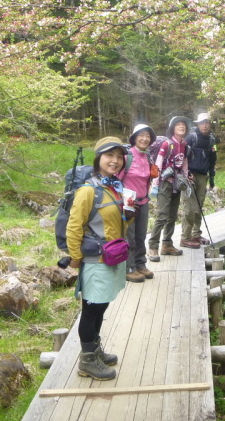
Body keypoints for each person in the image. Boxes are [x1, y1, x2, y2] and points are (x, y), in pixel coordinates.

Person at [65, 136, 132, 381]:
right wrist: (75, 257)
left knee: (101, 306)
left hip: (112, 256)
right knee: (91, 310)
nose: (114, 161)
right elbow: (74, 226)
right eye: (109, 156)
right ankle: (87, 360)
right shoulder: (88, 190)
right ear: (98, 159)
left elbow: (120, 224)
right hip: (96, 260)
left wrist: (129, 212)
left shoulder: (114, 186)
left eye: (118, 157)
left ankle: (95, 350)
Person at [117, 124, 157, 283]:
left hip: (144, 201)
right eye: (141, 135)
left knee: (141, 236)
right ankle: (129, 267)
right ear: (134, 138)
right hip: (128, 203)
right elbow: (116, 180)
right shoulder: (127, 157)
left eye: (147, 136)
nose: (145, 138)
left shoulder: (148, 157)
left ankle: (141, 264)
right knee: (129, 237)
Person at [147, 116, 191, 262]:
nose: (181, 126)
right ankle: (153, 246)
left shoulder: (185, 145)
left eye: (183, 125)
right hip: (165, 182)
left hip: (177, 183)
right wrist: (155, 184)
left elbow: (184, 164)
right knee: (162, 215)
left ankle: (167, 245)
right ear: (173, 128)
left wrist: (186, 179)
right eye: (178, 124)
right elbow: (158, 164)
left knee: (172, 216)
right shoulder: (167, 144)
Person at [180, 112, 218, 248]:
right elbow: (182, 156)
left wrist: (212, 178)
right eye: (202, 123)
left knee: (199, 207)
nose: (205, 125)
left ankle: (196, 234)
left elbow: (213, 159)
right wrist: (186, 172)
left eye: (207, 122)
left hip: (203, 175)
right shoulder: (191, 138)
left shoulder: (212, 140)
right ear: (198, 124)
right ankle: (185, 237)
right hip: (189, 176)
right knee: (189, 207)